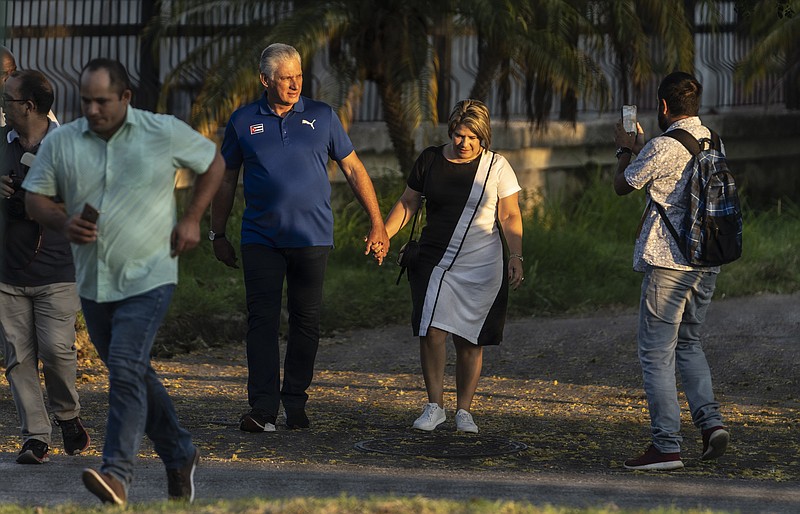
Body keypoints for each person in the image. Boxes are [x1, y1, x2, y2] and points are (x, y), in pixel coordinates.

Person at [23, 58, 225, 504]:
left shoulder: (161, 130)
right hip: (95, 281)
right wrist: (63, 220)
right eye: (86, 100)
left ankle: (117, 474)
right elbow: (35, 199)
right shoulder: (65, 142)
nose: (92, 109)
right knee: (132, 371)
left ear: (126, 98)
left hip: (149, 275)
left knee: (127, 367)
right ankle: (180, 452)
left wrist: (193, 219)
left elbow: (214, 162)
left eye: (102, 101)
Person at [211, 43, 389, 433]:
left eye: (299, 76)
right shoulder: (243, 122)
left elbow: (354, 169)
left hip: (311, 238)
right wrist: (217, 233)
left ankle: (295, 401)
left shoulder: (322, 116)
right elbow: (225, 179)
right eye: (286, 77)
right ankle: (262, 407)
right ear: (265, 80)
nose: (295, 84)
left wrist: (376, 221)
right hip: (260, 238)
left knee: (306, 321)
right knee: (262, 321)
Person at [383, 99, 524, 433]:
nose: (465, 143)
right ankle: (434, 406)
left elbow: (509, 214)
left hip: (481, 262)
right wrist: (384, 235)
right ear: (451, 132)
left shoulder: (498, 167)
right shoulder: (431, 159)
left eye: (472, 137)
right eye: (460, 135)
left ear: (483, 136)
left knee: (469, 339)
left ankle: (464, 411)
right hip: (434, 259)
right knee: (431, 329)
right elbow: (408, 202)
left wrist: (516, 255)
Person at [613, 71, 730, 470]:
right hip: (706, 262)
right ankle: (711, 423)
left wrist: (625, 149)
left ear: (663, 106)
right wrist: (646, 149)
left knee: (655, 354)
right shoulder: (712, 139)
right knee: (689, 343)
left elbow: (623, 185)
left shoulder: (662, 145)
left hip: (670, 264)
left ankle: (666, 445)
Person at [0, 69, 90, 465]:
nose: (3, 107)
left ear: (29, 106)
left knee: (56, 351)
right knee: (17, 358)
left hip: (57, 269)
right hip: (7, 271)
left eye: (8, 101)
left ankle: (68, 415)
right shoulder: (0, 144)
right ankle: (35, 437)